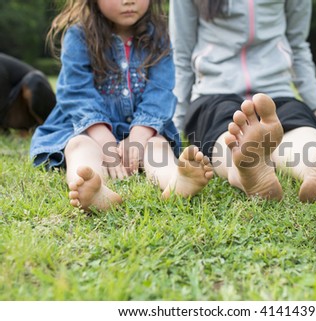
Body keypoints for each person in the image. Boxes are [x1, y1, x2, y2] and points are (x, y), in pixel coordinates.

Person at [169, 0, 316, 203]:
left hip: (276, 91)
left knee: (298, 126)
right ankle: (244, 172)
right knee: (227, 134)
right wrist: (175, 123)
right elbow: (181, 54)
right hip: (214, 92)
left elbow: (298, 46)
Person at [30, 0, 213, 211]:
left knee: (157, 144)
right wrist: (101, 134)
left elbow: (161, 91)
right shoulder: (79, 36)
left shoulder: (159, 37)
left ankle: (176, 180)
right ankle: (94, 189)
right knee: (79, 146)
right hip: (87, 127)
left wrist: (139, 134)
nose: (129, 1)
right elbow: (76, 91)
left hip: (142, 128)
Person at [0, 53, 55, 131]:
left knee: (35, 81)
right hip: (15, 110)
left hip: (38, 98)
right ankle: (26, 129)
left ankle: (48, 127)